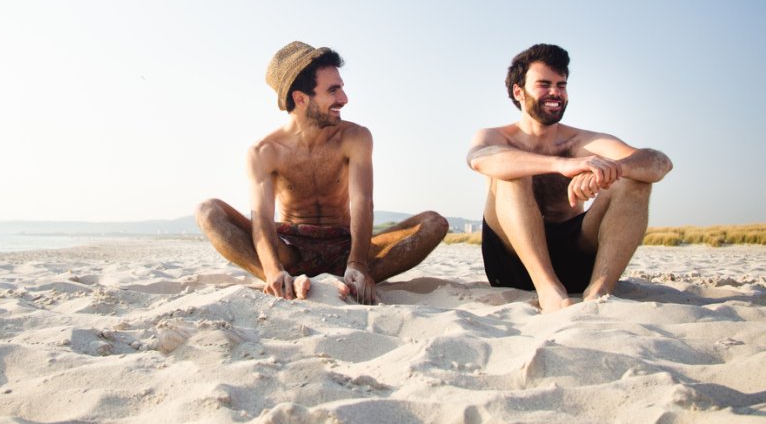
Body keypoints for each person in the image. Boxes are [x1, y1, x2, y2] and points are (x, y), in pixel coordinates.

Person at [197, 41, 448, 304]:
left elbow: (363, 201)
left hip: (345, 245)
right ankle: (282, 281)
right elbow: (261, 219)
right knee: (208, 210)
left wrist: (358, 262)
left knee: (434, 223)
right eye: (333, 90)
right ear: (301, 98)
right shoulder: (264, 151)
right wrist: (272, 269)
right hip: (291, 250)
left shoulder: (355, 137)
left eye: (342, 87)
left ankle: (350, 277)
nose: (344, 99)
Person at [466, 43, 672, 312]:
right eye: (544, 84)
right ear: (519, 91)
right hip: (512, 261)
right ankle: (548, 290)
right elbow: (480, 159)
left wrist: (609, 170)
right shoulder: (495, 136)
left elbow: (659, 163)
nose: (555, 93)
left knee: (635, 181)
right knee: (510, 173)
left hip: (574, 258)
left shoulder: (583, 141)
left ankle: (600, 291)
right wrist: (564, 165)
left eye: (561, 85)